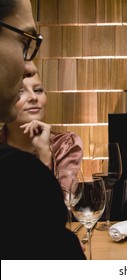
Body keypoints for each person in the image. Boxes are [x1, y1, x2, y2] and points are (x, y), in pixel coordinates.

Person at [0, 0, 85, 259]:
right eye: (26, 42)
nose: (31, 67)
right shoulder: (18, 175)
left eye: (38, 90)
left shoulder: (65, 143)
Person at [0, 72, 83, 184]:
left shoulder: (65, 144)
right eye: (20, 91)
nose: (33, 97)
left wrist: (44, 154)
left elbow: (64, 199)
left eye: (38, 90)